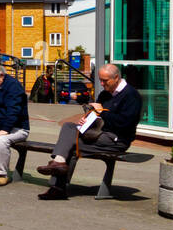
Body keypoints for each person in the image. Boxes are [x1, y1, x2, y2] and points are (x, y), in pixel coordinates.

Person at [36, 63, 142, 200]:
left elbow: (125, 124)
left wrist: (102, 112)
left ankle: (57, 184)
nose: (102, 84)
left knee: (70, 145)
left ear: (116, 78)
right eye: (100, 80)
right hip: (98, 133)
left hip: (117, 139)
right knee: (69, 126)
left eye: (105, 81)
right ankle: (59, 163)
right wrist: (87, 120)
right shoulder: (105, 94)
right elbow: (97, 117)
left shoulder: (131, 95)